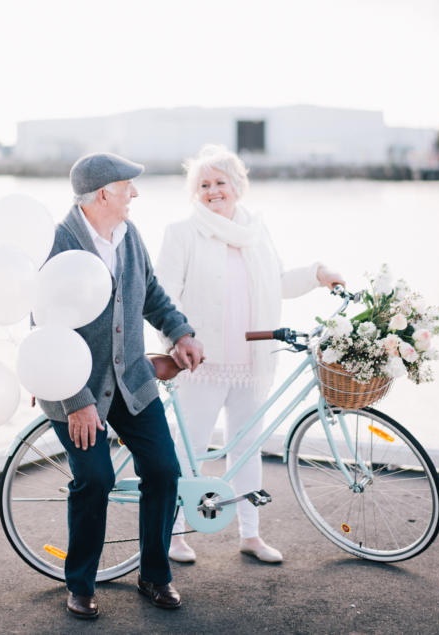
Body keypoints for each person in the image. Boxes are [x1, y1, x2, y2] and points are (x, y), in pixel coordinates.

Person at [155, 144, 344, 565]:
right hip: (200, 363)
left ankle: (251, 534)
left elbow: (277, 281)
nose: (212, 190)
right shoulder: (182, 233)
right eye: (203, 184)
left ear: (237, 186)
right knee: (192, 450)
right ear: (195, 193)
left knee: (247, 448)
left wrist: (317, 274)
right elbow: (162, 294)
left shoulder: (257, 231)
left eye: (220, 182)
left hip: (251, 362)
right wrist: (176, 337)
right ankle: (176, 536)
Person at [36, 152, 204, 619]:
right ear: (105, 192)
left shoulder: (129, 235)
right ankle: (81, 584)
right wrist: (76, 401)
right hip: (75, 389)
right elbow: (44, 327)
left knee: (165, 471)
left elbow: (151, 293)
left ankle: (154, 575)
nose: (135, 193)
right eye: (128, 185)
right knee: (95, 478)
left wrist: (181, 333)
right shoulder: (56, 242)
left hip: (132, 380)